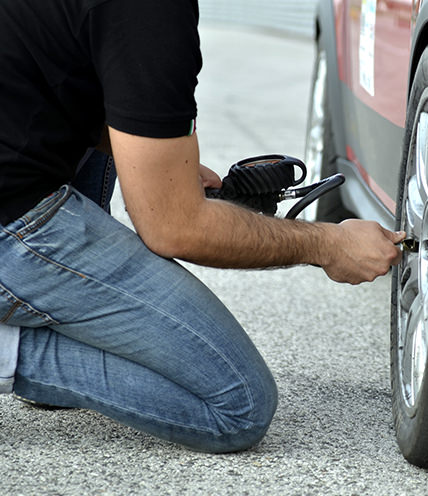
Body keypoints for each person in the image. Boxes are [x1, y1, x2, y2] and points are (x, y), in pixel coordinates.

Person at [0, 0, 403, 452]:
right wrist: (330, 244)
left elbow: (49, 60)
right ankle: (16, 348)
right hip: (10, 219)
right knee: (237, 406)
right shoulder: (151, 14)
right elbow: (173, 227)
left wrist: (163, 164)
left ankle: (52, 318)